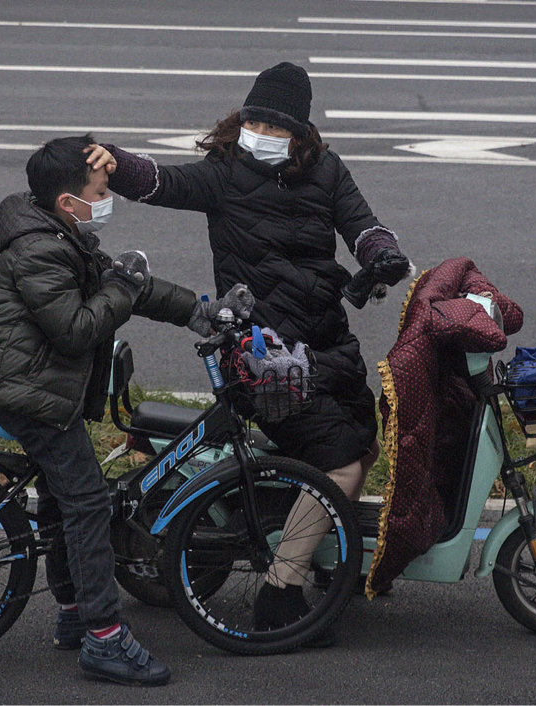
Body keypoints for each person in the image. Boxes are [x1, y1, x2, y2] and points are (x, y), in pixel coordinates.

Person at [83, 61, 412, 637]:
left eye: (276, 126)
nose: (262, 132)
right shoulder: (224, 173)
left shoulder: (329, 173)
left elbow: (363, 226)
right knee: (340, 461)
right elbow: (161, 181)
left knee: (362, 444)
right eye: (254, 120)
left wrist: (382, 255)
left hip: (327, 343)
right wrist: (115, 159)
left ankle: (314, 553)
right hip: (264, 356)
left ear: (301, 134)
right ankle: (281, 592)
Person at [0, 134, 253, 685]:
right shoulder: (42, 249)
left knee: (62, 492)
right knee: (88, 503)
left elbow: (130, 290)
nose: (107, 196)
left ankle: (72, 614)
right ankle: (104, 639)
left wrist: (202, 311)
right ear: (70, 202)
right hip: (27, 391)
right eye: (100, 188)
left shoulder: (55, 228)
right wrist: (121, 281)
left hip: (28, 380)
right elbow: (77, 330)